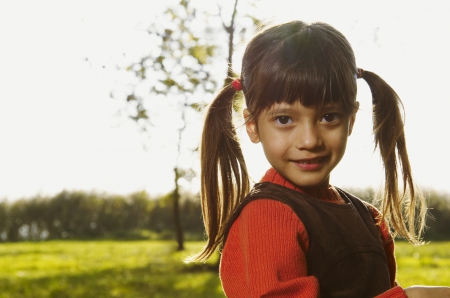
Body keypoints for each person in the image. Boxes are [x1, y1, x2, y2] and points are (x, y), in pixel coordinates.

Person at [192, 21, 450, 297]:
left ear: (351, 121)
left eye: (329, 117)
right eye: (284, 119)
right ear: (253, 126)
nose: (309, 140)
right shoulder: (267, 217)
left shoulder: (367, 216)